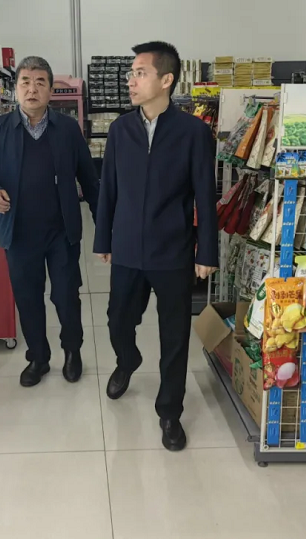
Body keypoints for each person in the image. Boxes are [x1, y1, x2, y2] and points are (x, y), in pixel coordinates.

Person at [94, 41, 218, 451]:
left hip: (173, 251)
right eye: (131, 73)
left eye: (140, 73)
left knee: (174, 336)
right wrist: (103, 238)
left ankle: (169, 412)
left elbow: (205, 195)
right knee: (117, 321)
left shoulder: (193, 133)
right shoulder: (120, 130)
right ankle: (127, 360)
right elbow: (108, 190)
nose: (131, 80)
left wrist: (206, 252)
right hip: (128, 248)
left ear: (166, 80)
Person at [0, 56, 99, 387]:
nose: (32, 89)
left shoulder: (67, 129)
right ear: (16, 89)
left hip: (61, 231)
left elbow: (89, 178)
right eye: (25, 82)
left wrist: (106, 229)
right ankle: (38, 358)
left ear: (51, 90)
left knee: (66, 297)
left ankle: (72, 351)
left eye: (40, 82)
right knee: (28, 297)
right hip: (18, 232)